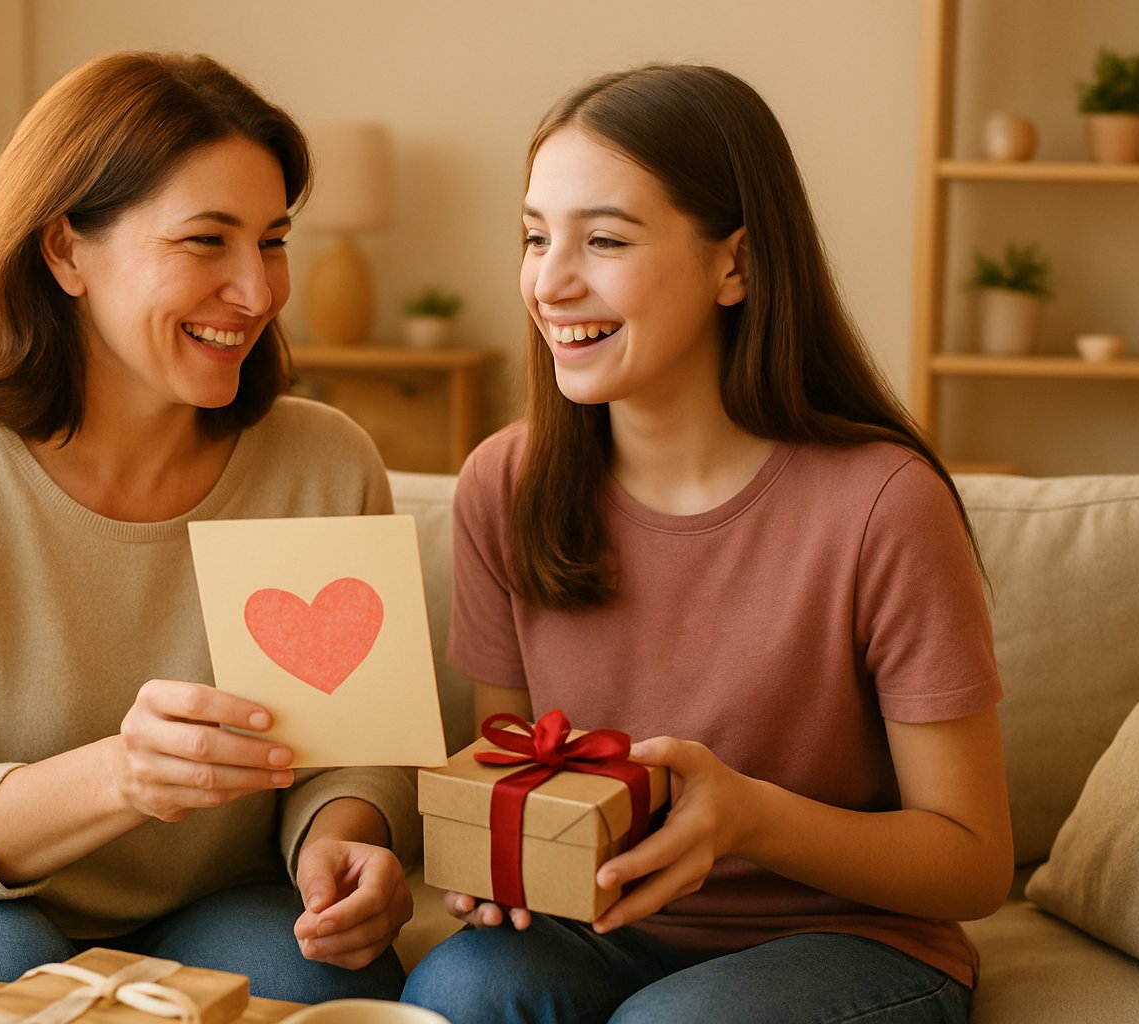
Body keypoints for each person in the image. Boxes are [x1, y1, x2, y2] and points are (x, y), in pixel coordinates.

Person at [401, 63, 1012, 1024]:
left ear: (735, 264)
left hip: (847, 940)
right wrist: (503, 859)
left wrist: (752, 818)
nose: (551, 281)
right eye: (534, 237)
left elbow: (973, 860)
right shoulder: (505, 484)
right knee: (455, 991)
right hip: (598, 927)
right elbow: (511, 762)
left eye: (603, 239)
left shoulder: (884, 504)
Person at [0, 51, 418, 1002]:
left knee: (316, 969)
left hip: (214, 896)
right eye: (206, 241)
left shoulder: (323, 461)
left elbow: (354, 746)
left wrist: (345, 845)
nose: (257, 293)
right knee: (5, 978)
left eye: (272, 240)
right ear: (64, 251)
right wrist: (123, 777)